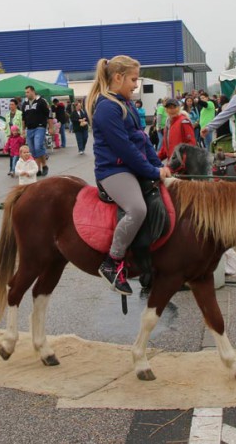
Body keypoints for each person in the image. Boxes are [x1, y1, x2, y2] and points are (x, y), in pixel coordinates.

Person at [87, 55, 171, 295]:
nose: (136, 84)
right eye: (134, 79)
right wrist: (153, 171)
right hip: (113, 170)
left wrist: (160, 166)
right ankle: (112, 262)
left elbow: (141, 141)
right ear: (118, 77)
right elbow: (126, 149)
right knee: (138, 209)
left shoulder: (126, 104)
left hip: (130, 166)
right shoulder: (106, 107)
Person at [23, 85, 50, 176]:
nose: (26, 94)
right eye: (25, 92)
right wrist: (23, 129)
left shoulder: (41, 101)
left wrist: (51, 127)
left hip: (40, 127)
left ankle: (43, 166)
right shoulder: (25, 103)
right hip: (29, 128)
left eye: (28, 92)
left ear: (33, 91)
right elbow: (23, 118)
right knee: (33, 150)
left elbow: (48, 114)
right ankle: (39, 169)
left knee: (38, 146)